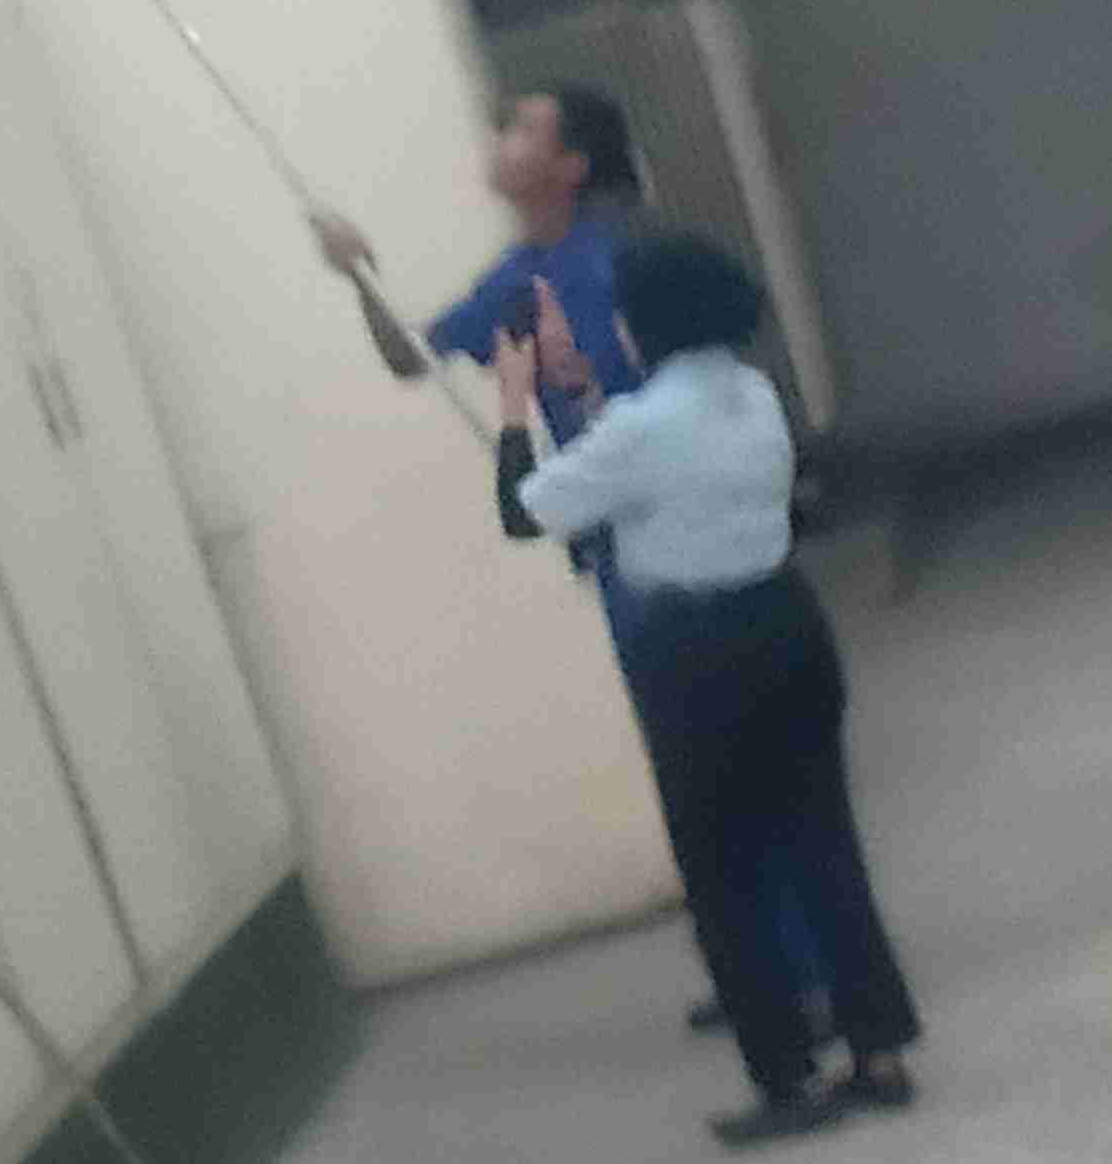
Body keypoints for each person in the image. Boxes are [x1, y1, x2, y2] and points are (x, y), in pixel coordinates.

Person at [306, 87, 824, 1031]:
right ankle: (759, 972)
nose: (498, 140)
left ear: (571, 166)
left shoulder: (628, 256)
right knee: (695, 771)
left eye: (522, 129)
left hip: (693, 545)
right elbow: (412, 357)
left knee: (739, 764)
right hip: (621, 549)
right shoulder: (519, 276)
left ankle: (805, 974)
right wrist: (357, 278)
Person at [487, 228, 919, 1146]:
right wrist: (584, 390)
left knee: (726, 871)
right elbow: (645, 453)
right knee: (823, 846)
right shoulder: (751, 394)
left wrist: (515, 407)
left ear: (644, 321)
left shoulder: (643, 428)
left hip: (695, 651)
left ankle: (787, 1078)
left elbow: (526, 513)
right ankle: (878, 1051)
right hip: (788, 625)